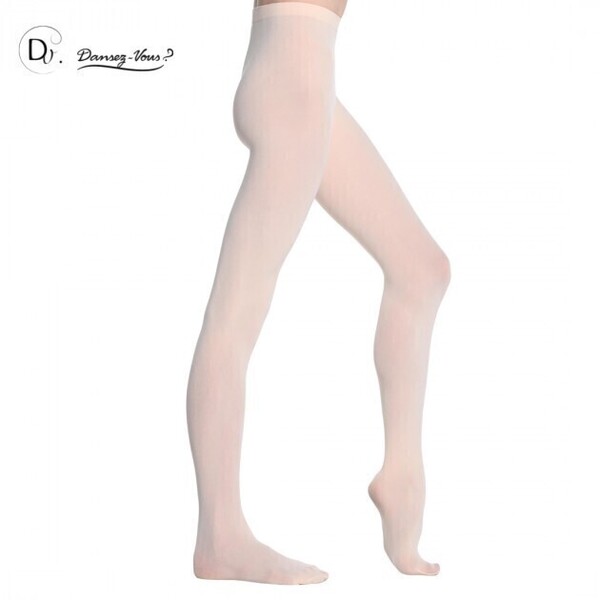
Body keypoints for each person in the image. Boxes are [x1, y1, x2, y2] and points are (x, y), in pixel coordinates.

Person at [186, 0, 450, 585]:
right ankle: (219, 535)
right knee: (233, 319)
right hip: (294, 78)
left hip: (307, 73)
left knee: (423, 269)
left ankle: (401, 475)